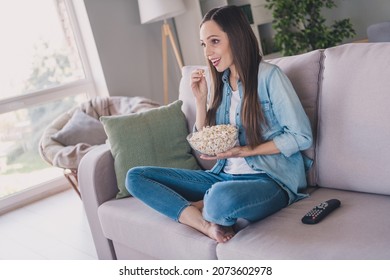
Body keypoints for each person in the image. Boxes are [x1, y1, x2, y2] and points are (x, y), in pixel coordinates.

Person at [126, 5, 313, 243]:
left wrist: (246, 150)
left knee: (218, 199)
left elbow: (301, 136)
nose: (208, 52)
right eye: (204, 44)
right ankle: (205, 225)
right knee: (135, 176)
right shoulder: (220, 83)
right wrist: (200, 101)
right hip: (223, 176)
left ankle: (199, 206)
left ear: (236, 37)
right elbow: (206, 149)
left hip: (269, 180)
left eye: (214, 41)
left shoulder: (269, 77)